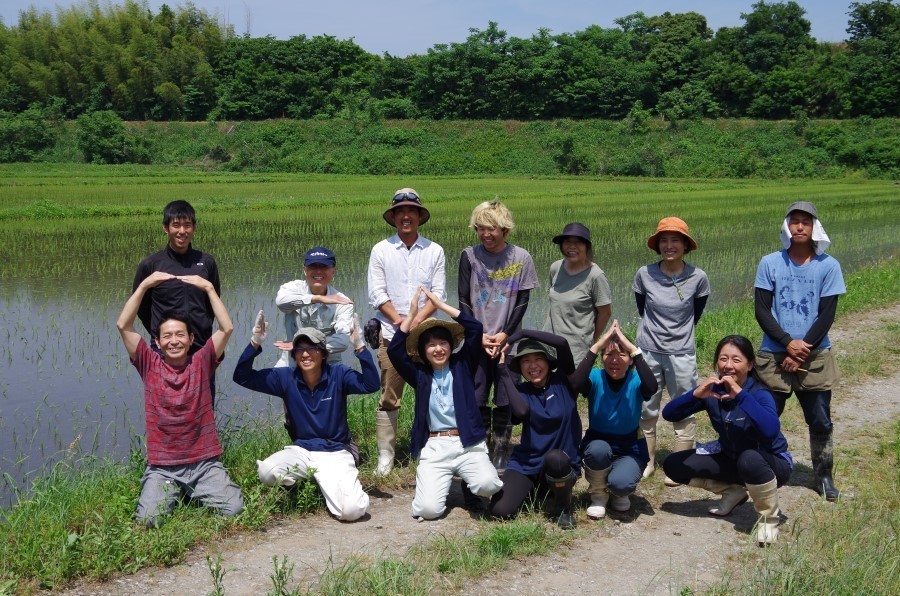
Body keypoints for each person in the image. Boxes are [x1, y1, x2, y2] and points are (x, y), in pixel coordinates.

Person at [116, 271, 242, 527]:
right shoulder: (148, 364)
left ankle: (193, 490)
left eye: (180, 335)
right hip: (163, 466)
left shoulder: (202, 362)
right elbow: (123, 325)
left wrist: (208, 288)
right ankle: (176, 491)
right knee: (149, 521)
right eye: (167, 336)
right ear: (158, 343)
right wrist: (144, 285)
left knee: (234, 509)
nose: (174, 341)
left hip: (204, 463)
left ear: (191, 339)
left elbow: (226, 328)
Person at [232, 312, 378, 522]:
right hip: (302, 450)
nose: (305, 354)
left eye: (312, 348)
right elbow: (242, 377)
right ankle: (311, 481)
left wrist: (360, 346)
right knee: (267, 471)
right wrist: (255, 342)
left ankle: (337, 483)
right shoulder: (285, 378)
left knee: (351, 512)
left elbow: (371, 384)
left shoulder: (339, 375)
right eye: (299, 349)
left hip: (336, 450)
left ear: (323, 353)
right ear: (294, 354)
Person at [754, 201, 845, 501]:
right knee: (765, 416)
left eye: (806, 221)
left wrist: (801, 351)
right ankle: (758, 470)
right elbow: (762, 310)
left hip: (815, 355)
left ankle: (824, 476)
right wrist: (786, 343)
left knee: (820, 418)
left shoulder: (828, 266)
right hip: (774, 354)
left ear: (815, 227)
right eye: (795, 221)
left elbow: (827, 313)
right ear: (787, 227)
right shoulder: (770, 262)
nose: (800, 227)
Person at [662, 336, 792, 545]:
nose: (728, 366)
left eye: (736, 360)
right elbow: (669, 414)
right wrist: (696, 395)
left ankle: (768, 519)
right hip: (732, 459)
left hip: (771, 464)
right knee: (673, 465)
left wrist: (740, 395)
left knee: (749, 458)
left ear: (750, 365)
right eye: (723, 359)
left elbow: (770, 431)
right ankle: (732, 492)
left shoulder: (759, 394)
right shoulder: (714, 392)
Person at [388, 286, 503, 520]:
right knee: (429, 511)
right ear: (423, 350)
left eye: (443, 343)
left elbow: (475, 328)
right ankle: (437, 484)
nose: (438, 349)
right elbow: (394, 351)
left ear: (451, 346)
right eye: (431, 345)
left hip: (467, 443)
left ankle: (470, 484)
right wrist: (410, 316)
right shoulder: (420, 375)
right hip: (435, 446)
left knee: (488, 485)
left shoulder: (462, 365)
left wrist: (439, 306)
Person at [368, 188, 446, 476]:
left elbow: (438, 293)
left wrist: (415, 322)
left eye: (411, 211)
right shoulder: (381, 250)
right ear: (393, 216)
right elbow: (377, 293)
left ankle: (427, 447)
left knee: (432, 392)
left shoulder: (434, 250)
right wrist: (401, 322)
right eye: (400, 211)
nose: (406, 216)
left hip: (426, 337)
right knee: (390, 394)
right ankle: (386, 456)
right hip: (390, 335)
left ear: (419, 216)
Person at [458, 200, 539, 472]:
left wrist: (505, 334)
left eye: (491, 229)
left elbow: (522, 301)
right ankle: (481, 447)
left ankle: (502, 446)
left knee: (505, 397)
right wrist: (477, 334)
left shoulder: (521, 258)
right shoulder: (468, 256)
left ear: (505, 229)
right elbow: (463, 300)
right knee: (478, 395)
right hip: (477, 340)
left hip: (509, 341)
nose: (486, 235)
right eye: (480, 229)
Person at [632, 217, 710, 484]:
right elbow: (642, 309)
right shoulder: (644, 274)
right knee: (645, 406)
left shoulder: (698, 278)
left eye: (675, 240)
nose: (669, 245)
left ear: (686, 245)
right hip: (648, 350)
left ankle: (681, 466)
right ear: (657, 245)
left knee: (685, 405)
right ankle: (648, 460)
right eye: (663, 240)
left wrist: (677, 334)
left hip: (681, 351)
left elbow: (695, 313)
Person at [490, 329, 582, 529]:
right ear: (520, 367)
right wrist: (503, 372)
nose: (533, 366)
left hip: (560, 465)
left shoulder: (564, 382)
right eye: (525, 361)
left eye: (538, 359)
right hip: (528, 463)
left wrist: (520, 333)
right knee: (500, 510)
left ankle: (562, 509)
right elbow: (522, 412)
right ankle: (536, 490)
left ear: (548, 363)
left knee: (556, 459)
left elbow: (562, 343)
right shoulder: (521, 391)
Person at [572, 321, 658, 518]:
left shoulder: (636, 380)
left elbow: (652, 387)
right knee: (598, 449)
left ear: (630, 359)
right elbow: (575, 383)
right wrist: (596, 346)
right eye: (609, 354)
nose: (614, 360)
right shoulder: (595, 377)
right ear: (602, 358)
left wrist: (633, 349)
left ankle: (618, 491)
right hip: (598, 442)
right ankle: (598, 493)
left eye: (621, 354)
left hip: (629, 446)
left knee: (621, 484)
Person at [543, 222, 612, 364]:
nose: (572, 246)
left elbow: (605, 313)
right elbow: (553, 304)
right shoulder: (555, 267)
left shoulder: (595, 275)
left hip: (576, 349)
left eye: (578, 242)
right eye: (567, 241)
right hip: (549, 344)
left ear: (587, 246)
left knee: (573, 385)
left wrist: (592, 340)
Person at [274, 246, 353, 368]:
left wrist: (305, 346)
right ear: (305, 270)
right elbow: (281, 302)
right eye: (313, 267)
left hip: (328, 363)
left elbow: (342, 341)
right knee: (273, 382)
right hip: (293, 360)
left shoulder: (342, 302)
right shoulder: (292, 288)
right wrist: (317, 298)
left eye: (324, 267)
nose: (318, 271)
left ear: (333, 271)